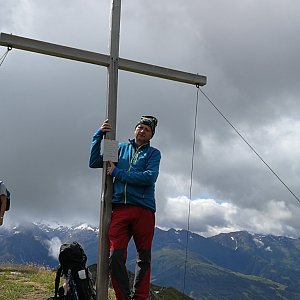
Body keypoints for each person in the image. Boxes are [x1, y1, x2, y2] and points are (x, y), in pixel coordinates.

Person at [89, 116, 161, 300]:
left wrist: (118, 173)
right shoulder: (119, 148)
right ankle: (123, 297)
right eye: (140, 127)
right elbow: (95, 161)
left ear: (151, 134)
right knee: (115, 257)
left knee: (143, 258)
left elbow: (149, 177)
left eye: (147, 129)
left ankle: (140, 297)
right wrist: (98, 135)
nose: (142, 130)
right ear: (135, 130)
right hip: (120, 209)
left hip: (144, 210)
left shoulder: (153, 154)